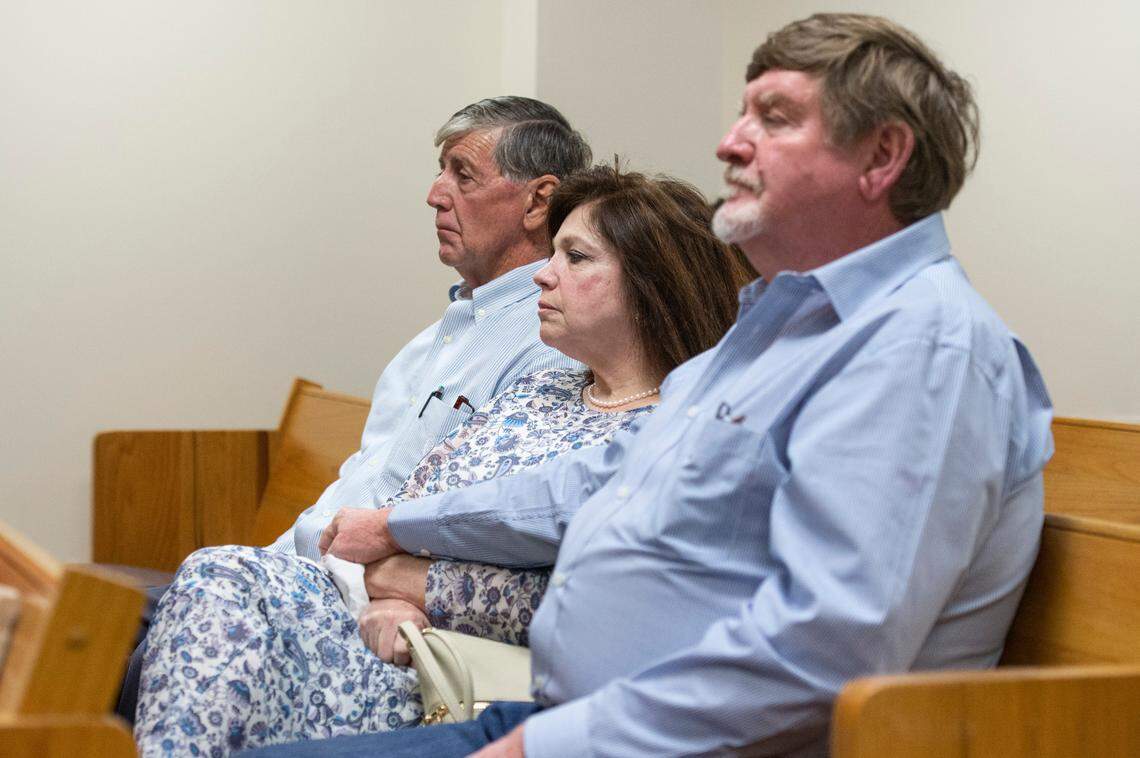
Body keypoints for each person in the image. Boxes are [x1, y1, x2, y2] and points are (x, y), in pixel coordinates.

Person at [250, 13, 1054, 758]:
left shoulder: (920, 348)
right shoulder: (773, 333)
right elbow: (587, 483)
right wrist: (402, 522)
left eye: (773, 118)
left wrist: (545, 746)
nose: (731, 143)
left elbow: (824, 648)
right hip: (579, 717)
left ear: (883, 157)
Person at [133, 167, 754, 756]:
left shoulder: (673, 427)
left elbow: (585, 599)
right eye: (554, 253)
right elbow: (419, 496)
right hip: (389, 628)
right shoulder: (539, 390)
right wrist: (390, 596)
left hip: (467, 671)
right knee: (218, 576)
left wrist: (410, 585)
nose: (544, 275)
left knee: (214, 604)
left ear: (652, 285)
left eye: (577, 257)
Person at [114, 95, 591, 722]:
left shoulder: (547, 342)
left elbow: (493, 513)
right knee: (74, 623)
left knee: (100, 648)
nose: (434, 193)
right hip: (297, 569)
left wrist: (401, 593)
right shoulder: (443, 333)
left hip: (353, 600)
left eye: (462, 173)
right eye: (440, 169)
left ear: (536, 201)